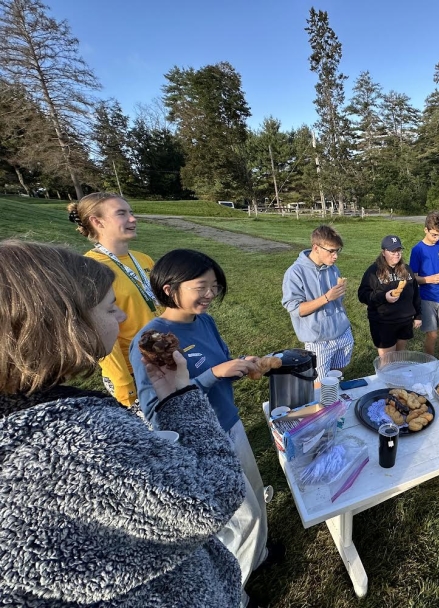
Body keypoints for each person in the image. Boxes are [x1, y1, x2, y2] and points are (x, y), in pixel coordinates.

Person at [0, 240, 244, 606]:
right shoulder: (79, 438)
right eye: (110, 307)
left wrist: (176, 394)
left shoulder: (30, 420)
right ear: (63, 323)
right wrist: (182, 400)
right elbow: (211, 498)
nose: (123, 318)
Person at [130, 249, 278, 608]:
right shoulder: (154, 340)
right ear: (169, 289)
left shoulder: (204, 321)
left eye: (214, 286)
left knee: (255, 494)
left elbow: (220, 364)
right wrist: (215, 374)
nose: (210, 294)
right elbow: (155, 409)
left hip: (229, 422)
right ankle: (232, 594)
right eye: (202, 286)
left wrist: (243, 365)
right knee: (241, 518)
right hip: (198, 440)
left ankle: (256, 556)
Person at [67, 192, 159, 407]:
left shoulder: (143, 259)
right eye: (121, 213)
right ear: (97, 222)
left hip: (162, 358)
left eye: (132, 212)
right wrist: (122, 381)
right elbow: (97, 331)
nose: (133, 219)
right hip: (133, 370)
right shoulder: (89, 269)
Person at [282, 225, 353, 383]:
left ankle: (336, 402)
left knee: (337, 378)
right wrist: (326, 298)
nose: (335, 256)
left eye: (337, 251)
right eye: (331, 251)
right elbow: (295, 309)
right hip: (319, 340)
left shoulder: (332, 269)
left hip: (342, 332)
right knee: (319, 386)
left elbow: (338, 301)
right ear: (316, 247)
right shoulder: (295, 272)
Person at [358, 235, 422, 357]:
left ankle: (398, 376)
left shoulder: (407, 269)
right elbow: (362, 295)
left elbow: (415, 293)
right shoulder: (373, 271)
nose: (397, 254)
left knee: (399, 357)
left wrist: (418, 315)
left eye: (398, 250)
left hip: (405, 320)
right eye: (392, 251)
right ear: (383, 252)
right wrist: (384, 296)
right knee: (387, 361)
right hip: (383, 322)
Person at [410, 211, 439, 359]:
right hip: (427, 297)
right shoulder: (417, 250)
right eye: (434, 234)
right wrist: (429, 279)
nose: (437, 238)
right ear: (426, 230)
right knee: (432, 335)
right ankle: (430, 363)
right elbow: (414, 278)